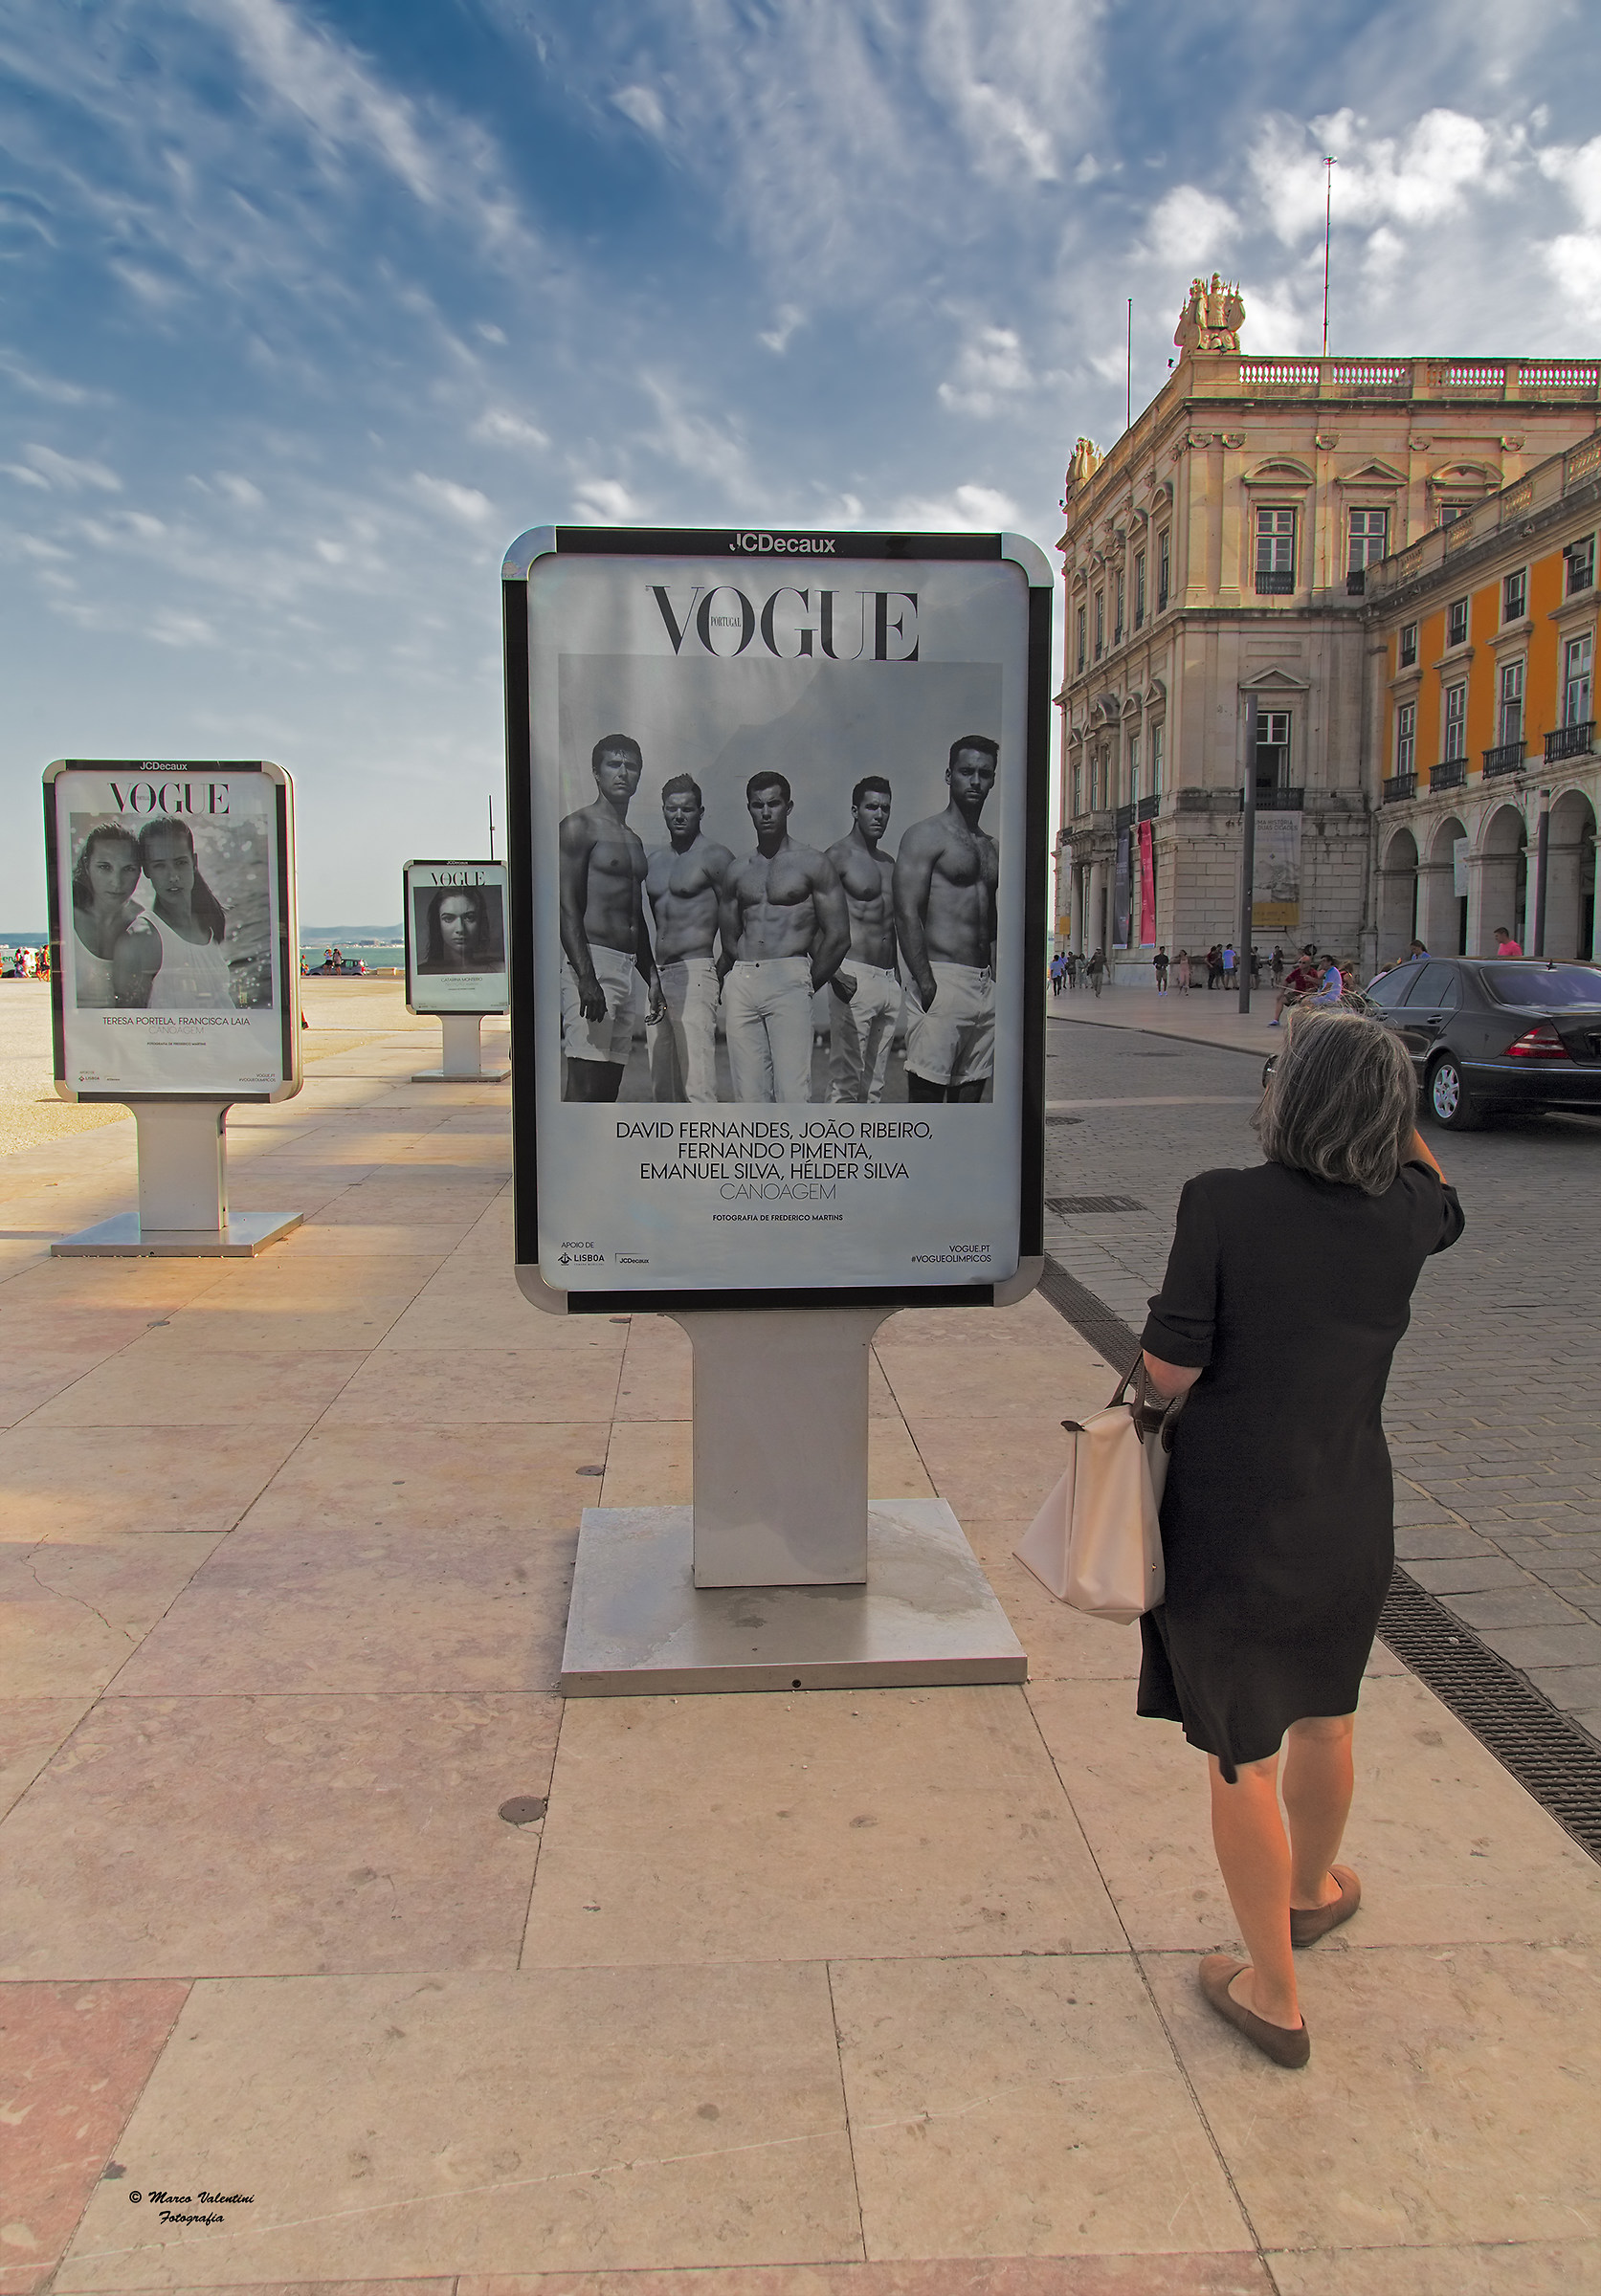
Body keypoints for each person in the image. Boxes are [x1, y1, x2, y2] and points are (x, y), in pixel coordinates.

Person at [1138, 1008, 1464, 2067]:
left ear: (1287, 1097)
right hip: (1348, 1507)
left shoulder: (1222, 1205)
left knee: (1242, 1758)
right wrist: (1387, 1083)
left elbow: (1166, 1373)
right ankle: (1313, 1895)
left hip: (1234, 1518)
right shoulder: (1409, 1212)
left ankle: (1271, 1993)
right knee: (1328, 1718)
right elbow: (1437, 1179)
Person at [719, 770, 850, 1103]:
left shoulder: (812, 863)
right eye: (757, 805)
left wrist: (805, 982)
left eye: (773, 804)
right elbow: (730, 937)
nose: (765, 812)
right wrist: (737, 977)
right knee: (748, 1097)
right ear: (748, 808)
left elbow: (838, 936)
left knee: (792, 1094)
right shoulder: (737, 869)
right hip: (744, 979)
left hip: (790, 977)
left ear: (788, 807)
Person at [893, 735, 1000, 1102]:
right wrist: (925, 983)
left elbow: (993, 918)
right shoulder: (925, 835)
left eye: (984, 774)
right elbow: (905, 911)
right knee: (927, 1107)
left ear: (993, 779)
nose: (975, 781)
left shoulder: (991, 846)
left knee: (969, 1105)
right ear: (948, 775)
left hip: (984, 987)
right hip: (942, 978)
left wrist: (997, 980)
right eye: (966, 771)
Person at [559, 734, 658, 1102]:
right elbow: (566, 906)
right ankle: (571, 1160)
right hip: (593, 962)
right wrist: (586, 976)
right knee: (584, 1082)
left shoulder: (633, 839)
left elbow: (636, 915)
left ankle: (597, 1160)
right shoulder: (578, 826)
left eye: (630, 766)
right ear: (596, 773)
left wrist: (652, 977)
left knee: (609, 1086)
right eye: (613, 765)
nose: (622, 773)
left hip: (627, 969)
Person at [644, 775, 732, 1104]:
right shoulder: (653, 863)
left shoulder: (716, 856)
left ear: (700, 812)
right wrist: (651, 977)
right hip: (658, 976)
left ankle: (707, 1154)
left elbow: (739, 919)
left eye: (687, 809)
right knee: (662, 1089)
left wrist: (717, 972)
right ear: (663, 811)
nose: (679, 815)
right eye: (672, 809)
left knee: (699, 1087)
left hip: (697, 971)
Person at [826, 776, 903, 1103]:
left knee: (874, 1088)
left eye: (885, 808)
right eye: (872, 807)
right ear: (855, 810)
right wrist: (834, 973)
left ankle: (868, 1152)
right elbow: (813, 919)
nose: (879, 815)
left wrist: (898, 978)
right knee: (845, 1084)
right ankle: (833, 1152)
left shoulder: (889, 863)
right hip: (852, 975)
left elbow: (896, 924)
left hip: (888, 981)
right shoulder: (837, 856)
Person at [113, 820, 233, 1009]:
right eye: (160, 866)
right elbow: (129, 1028)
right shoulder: (140, 939)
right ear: (146, 870)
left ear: (194, 862)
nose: (173, 876)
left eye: (180, 863)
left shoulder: (209, 923)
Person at [69, 822, 144, 1008]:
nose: (116, 882)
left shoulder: (145, 924)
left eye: (128, 869)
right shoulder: (66, 916)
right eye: (104, 867)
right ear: (87, 865)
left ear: (140, 871)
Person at [418, 886, 500, 973]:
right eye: (448, 919)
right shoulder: (422, 972)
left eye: (469, 917)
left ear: (480, 921)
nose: (460, 929)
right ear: (437, 924)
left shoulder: (499, 969)